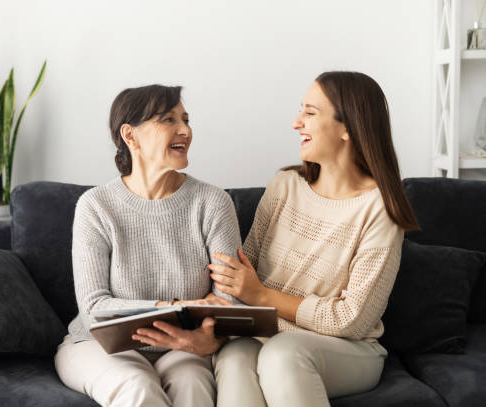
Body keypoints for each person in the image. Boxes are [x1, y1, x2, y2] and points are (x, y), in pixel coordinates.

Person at [209, 71, 420, 407]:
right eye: (300, 110)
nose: (296, 122)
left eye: (310, 112)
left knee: (283, 354)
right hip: (266, 335)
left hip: (348, 350)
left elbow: (352, 320)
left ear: (348, 127)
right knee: (234, 359)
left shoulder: (379, 209)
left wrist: (261, 295)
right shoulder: (284, 186)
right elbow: (241, 276)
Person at [54, 84, 241, 407]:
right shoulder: (96, 206)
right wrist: (172, 308)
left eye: (185, 119)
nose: (185, 130)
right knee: (136, 385)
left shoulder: (213, 202)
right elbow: (94, 308)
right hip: (100, 346)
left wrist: (202, 336)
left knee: (194, 386)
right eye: (168, 120)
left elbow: (228, 298)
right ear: (131, 136)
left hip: (184, 347)